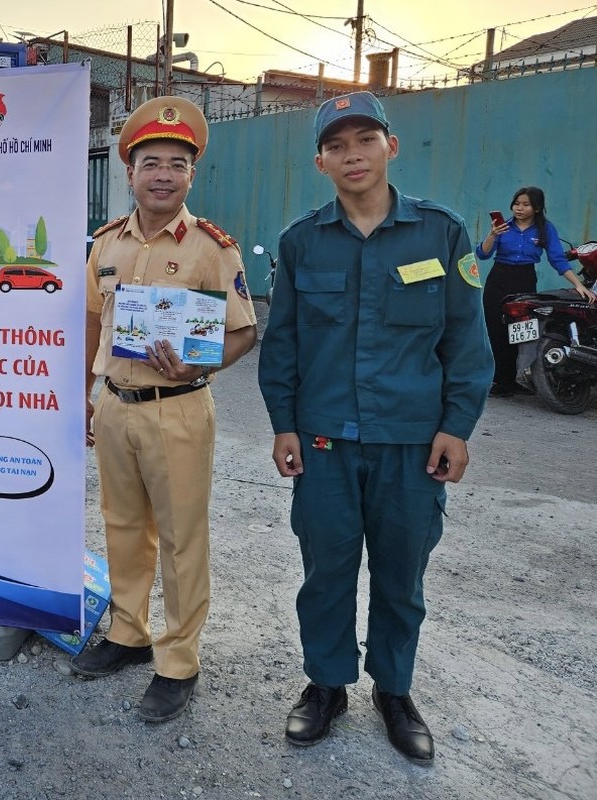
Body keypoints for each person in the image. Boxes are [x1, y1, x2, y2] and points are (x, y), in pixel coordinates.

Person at [257, 92, 495, 764]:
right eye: (336, 145)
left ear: (389, 146)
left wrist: (456, 427)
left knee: (399, 576)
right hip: (325, 440)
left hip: (411, 443)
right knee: (325, 571)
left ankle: (393, 690)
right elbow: (284, 343)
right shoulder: (302, 242)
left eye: (364, 139)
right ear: (319, 160)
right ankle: (325, 684)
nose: (351, 154)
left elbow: (464, 340)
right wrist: (282, 423)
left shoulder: (440, 233)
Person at [74, 96, 258, 723]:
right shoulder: (104, 245)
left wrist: (199, 365)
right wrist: (82, 396)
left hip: (178, 407)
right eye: (150, 161)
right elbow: (92, 322)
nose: (162, 174)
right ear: (129, 171)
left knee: (182, 539)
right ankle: (129, 631)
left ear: (190, 176)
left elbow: (242, 330)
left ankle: (178, 660)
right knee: (123, 527)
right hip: (116, 406)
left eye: (176, 164)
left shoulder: (212, 248)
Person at [476, 186, 596, 395]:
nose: (519, 208)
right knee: (496, 329)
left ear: (537, 208)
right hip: (498, 279)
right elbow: (483, 254)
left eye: (525, 204)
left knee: (520, 331)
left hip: (525, 279)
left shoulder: (545, 229)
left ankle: (517, 379)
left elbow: (558, 260)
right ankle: (501, 381)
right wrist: (492, 235)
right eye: (516, 203)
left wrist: (578, 285)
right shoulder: (503, 227)